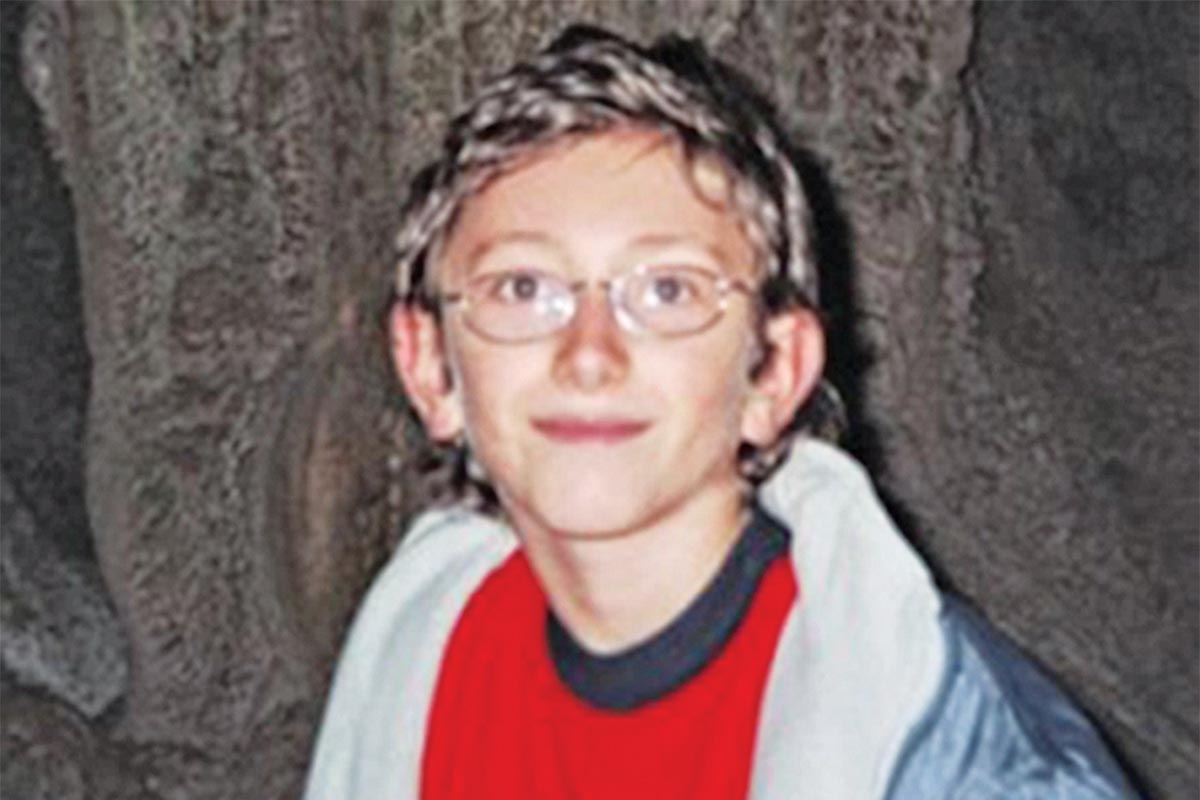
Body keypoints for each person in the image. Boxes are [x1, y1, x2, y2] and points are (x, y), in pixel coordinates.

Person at [304, 26, 1137, 800]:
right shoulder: (417, 667)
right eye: (523, 288)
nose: (590, 354)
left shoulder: (960, 762)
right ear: (430, 367)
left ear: (774, 370)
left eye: (668, 291)